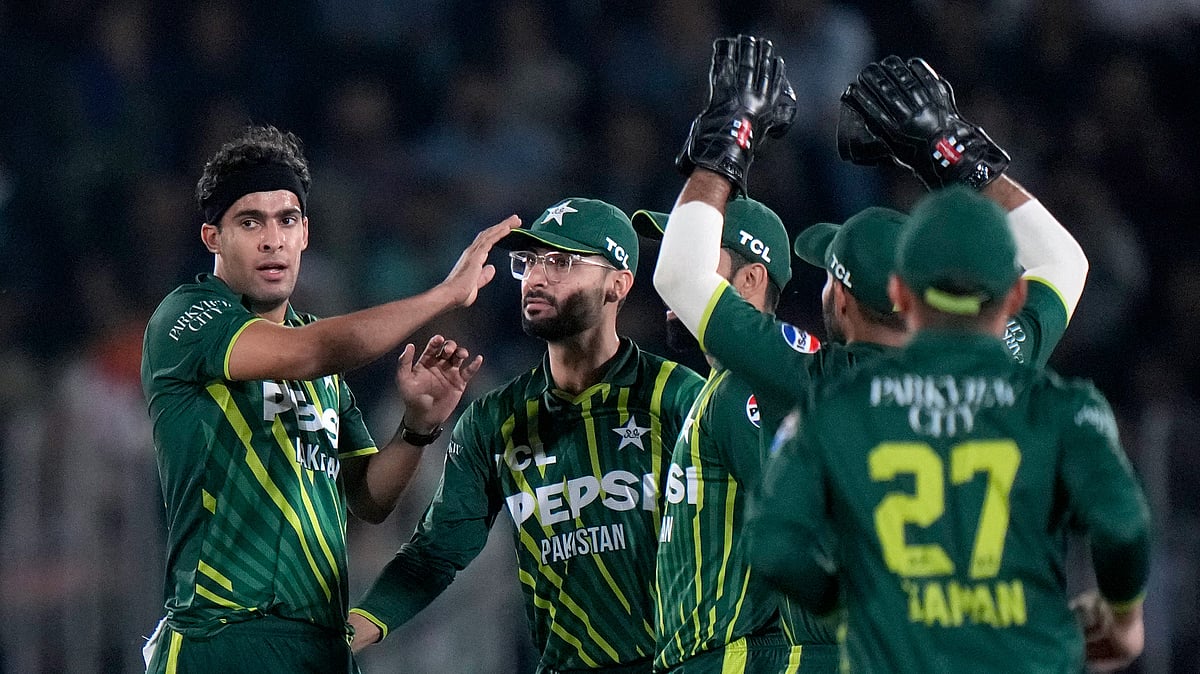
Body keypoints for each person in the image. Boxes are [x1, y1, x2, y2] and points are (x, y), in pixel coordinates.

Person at [653, 39, 1091, 672]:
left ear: (842, 300)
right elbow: (1065, 263)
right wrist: (950, 149)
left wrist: (731, 135)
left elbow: (680, 277)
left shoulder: (814, 380)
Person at [140, 124, 519, 673]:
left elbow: (368, 499)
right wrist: (443, 295)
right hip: (220, 637)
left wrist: (416, 427)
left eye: (286, 220)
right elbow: (312, 352)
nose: (272, 239)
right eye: (250, 222)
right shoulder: (188, 318)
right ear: (213, 238)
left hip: (321, 643)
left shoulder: (318, 356)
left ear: (305, 234)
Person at [747, 186, 1151, 674]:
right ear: (1016, 295)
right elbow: (1124, 525)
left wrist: (852, 608)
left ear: (901, 294)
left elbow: (773, 543)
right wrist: (1124, 621)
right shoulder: (1063, 409)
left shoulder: (835, 408)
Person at [347, 198, 705, 672]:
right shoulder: (494, 419)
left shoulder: (679, 398)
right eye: (529, 261)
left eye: (562, 263)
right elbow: (437, 551)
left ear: (617, 284)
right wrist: (347, 634)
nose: (536, 277)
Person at [632, 199, 818, 672]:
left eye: (696, 255)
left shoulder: (745, 387)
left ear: (751, 278)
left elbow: (803, 527)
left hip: (737, 657)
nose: (674, 271)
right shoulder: (722, 384)